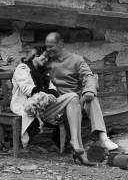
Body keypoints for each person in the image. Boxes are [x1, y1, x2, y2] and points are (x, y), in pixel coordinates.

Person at [45, 32, 119, 160]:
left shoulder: (76, 59)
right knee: (76, 99)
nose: (48, 50)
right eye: (46, 47)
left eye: (51, 46)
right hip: (62, 104)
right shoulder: (47, 63)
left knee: (92, 98)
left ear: (61, 44)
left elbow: (88, 76)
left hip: (79, 101)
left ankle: (103, 137)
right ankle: (81, 144)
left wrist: (89, 91)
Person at [10, 48, 76, 148]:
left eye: (47, 59)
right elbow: (27, 89)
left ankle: (64, 139)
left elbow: (52, 89)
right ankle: (68, 140)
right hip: (26, 103)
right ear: (35, 56)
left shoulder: (44, 72)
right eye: (44, 57)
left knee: (68, 105)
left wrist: (49, 95)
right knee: (70, 98)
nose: (45, 60)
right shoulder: (23, 68)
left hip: (44, 103)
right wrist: (46, 94)